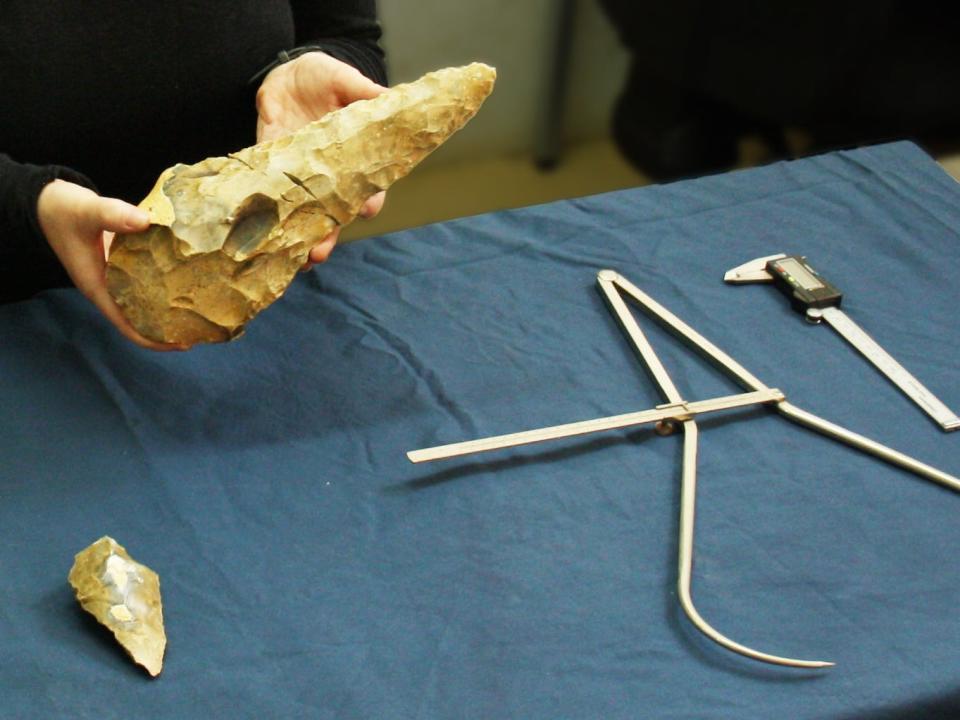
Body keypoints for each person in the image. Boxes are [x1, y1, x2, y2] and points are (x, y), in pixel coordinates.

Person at [0, 2, 387, 350]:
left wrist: (317, 70)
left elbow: (349, 37)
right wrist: (27, 203)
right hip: (24, 311)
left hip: (264, 286)